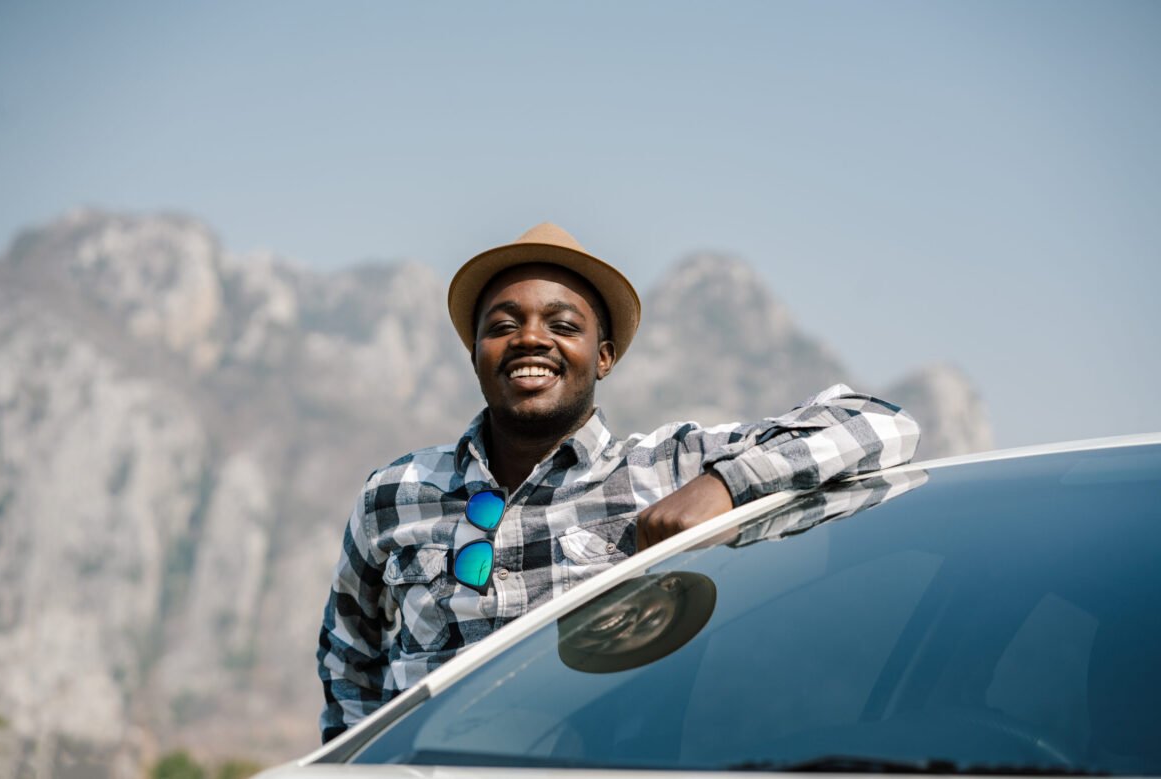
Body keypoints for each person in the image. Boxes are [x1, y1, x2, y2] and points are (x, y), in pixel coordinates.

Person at [316, 223, 921, 743]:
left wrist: (727, 486)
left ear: (602, 357)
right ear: (475, 351)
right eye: (503, 324)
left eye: (563, 324)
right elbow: (348, 656)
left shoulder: (664, 469)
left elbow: (881, 423)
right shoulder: (395, 493)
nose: (530, 337)